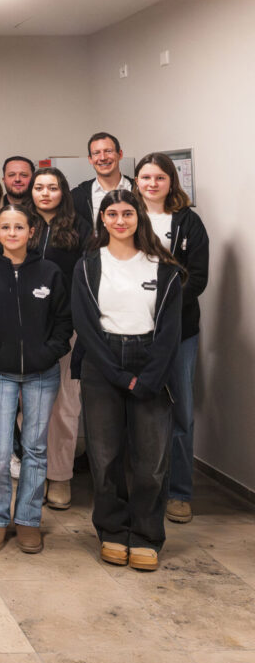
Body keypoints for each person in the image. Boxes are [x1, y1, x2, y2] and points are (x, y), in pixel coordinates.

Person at [72, 189, 183, 572]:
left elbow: (170, 332)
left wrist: (147, 379)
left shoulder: (163, 268)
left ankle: (147, 535)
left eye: (127, 214)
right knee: (105, 458)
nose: (120, 221)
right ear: (102, 219)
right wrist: (117, 374)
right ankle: (113, 531)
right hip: (102, 363)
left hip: (151, 363)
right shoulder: (88, 265)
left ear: (139, 218)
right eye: (112, 214)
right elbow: (85, 326)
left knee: (151, 461)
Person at [0, 204, 72, 553]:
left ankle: (28, 519)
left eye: (19, 227)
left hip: (42, 373)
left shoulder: (49, 272)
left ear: (31, 232)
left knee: (35, 449)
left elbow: (64, 321)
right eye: (5, 227)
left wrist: (48, 353)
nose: (12, 233)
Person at [134, 152, 209, 524]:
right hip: (133, 332)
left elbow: (198, 278)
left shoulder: (188, 222)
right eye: (146, 177)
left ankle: (179, 492)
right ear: (136, 181)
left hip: (179, 330)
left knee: (180, 410)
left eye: (159, 177)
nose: (152, 184)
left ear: (170, 182)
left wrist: (166, 309)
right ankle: (140, 488)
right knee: (136, 409)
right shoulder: (125, 215)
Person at [26, 168, 93, 509]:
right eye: (39, 187)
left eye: (52, 187)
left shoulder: (81, 227)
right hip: (23, 326)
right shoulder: (20, 222)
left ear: (63, 192)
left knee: (65, 404)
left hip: (66, 326)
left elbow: (89, 277)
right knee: (28, 405)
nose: (45, 193)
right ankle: (34, 473)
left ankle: (60, 476)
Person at [71, 132, 134, 227]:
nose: (103, 158)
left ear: (120, 154)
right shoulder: (77, 196)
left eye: (108, 151)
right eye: (96, 153)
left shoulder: (139, 191)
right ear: (90, 159)